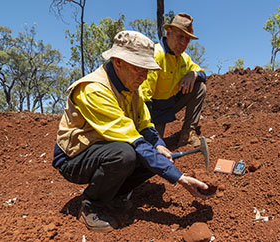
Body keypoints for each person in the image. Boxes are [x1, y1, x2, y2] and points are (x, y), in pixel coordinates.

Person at [52, 30, 212, 233]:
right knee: (126, 153)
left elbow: (145, 125)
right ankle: (92, 206)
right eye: (140, 68)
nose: (145, 76)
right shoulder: (93, 89)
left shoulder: (131, 87)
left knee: (155, 155)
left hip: (104, 147)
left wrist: (160, 146)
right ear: (118, 62)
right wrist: (178, 178)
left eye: (147, 69)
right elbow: (131, 137)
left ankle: (116, 195)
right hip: (73, 158)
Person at [140, 13, 207, 147]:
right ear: (169, 32)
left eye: (187, 39)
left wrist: (193, 74)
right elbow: (143, 98)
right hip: (152, 111)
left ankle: (188, 133)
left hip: (170, 104)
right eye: (180, 36)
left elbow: (202, 74)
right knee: (153, 146)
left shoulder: (184, 58)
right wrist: (147, 128)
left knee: (200, 87)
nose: (183, 43)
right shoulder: (156, 55)